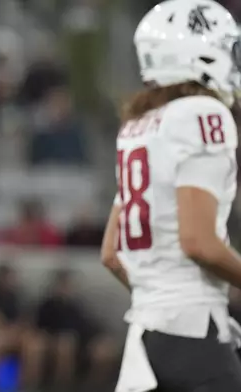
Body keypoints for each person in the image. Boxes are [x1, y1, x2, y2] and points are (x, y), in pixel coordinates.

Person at [100, 0, 241, 391]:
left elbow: (111, 254)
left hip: (147, 336)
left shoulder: (137, 127)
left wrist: (161, 296)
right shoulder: (203, 114)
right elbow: (199, 243)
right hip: (195, 334)